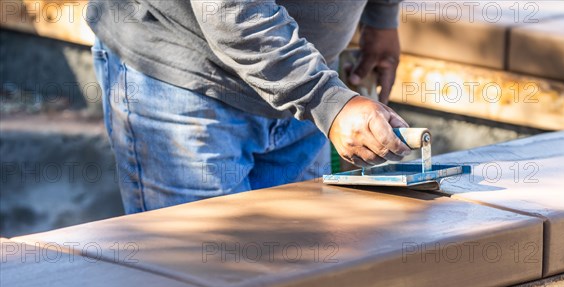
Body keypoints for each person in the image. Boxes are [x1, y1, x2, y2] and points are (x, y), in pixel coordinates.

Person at [89, 0, 410, 214]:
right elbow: (232, 11)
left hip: (308, 79)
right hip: (186, 77)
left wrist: (381, 16)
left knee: (295, 280)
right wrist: (326, 101)